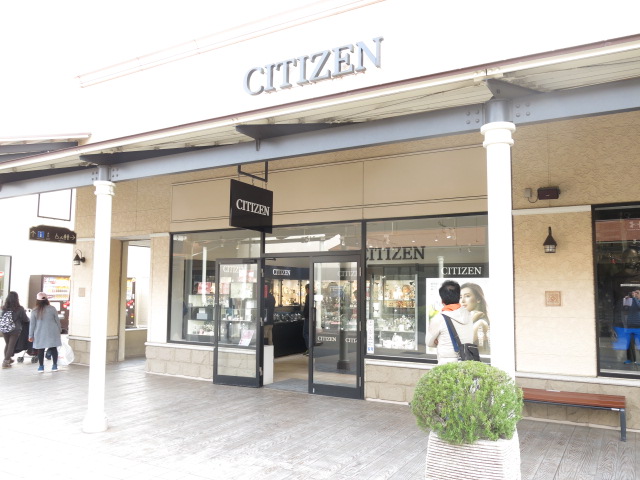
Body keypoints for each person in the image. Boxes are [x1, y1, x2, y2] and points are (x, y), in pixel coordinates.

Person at [427, 280, 474, 364]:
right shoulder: (468, 315)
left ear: (442, 300)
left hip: (447, 363)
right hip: (466, 361)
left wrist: (439, 340)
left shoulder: (439, 318)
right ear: (458, 297)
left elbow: (429, 342)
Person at [28, 292, 62, 372]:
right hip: (52, 332)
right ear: (46, 300)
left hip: (39, 333)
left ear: (37, 300)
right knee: (53, 348)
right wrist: (59, 330)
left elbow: (32, 324)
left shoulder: (34, 311)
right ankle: (54, 366)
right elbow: (57, 320)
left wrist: (30, 336)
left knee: (41, 349)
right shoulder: (52, 309)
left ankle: (41, 367)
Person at [460, 282, 491, 354]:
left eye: (467, 296)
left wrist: (471, 321)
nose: (462, 301)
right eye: (460, 297)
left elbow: (460, 345)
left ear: (478, 299)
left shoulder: (481, 323)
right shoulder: (471, 319)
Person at [2, 291, 30, 368]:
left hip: (4, 329)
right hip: (15, 330)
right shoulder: (20, 309)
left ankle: (8, 359)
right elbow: (25, 319)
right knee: (11, 346)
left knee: (7, 344)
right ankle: (5, 362)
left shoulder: (4, 308)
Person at [302, 284, 310, 355]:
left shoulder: (308, 296)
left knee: (305, 333)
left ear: (307, 289)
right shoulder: (314, 295)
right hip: (312, 317)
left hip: (308, 317)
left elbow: (307, 307)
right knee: (309, 333)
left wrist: (304, 314)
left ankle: (309, 349)